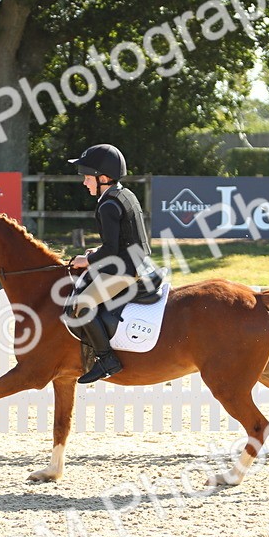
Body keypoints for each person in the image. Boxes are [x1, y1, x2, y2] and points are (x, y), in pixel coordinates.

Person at [65, 143, 155, 384]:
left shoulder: (107, 205)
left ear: (102, 177)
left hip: (126, 271)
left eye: (87, 177)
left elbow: (112, 250)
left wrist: (87, 259)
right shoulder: (124, 194)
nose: (85, 182)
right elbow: (126, 239)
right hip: (139, 262)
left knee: (82, 304)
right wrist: (97, 252)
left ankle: (106, 359)